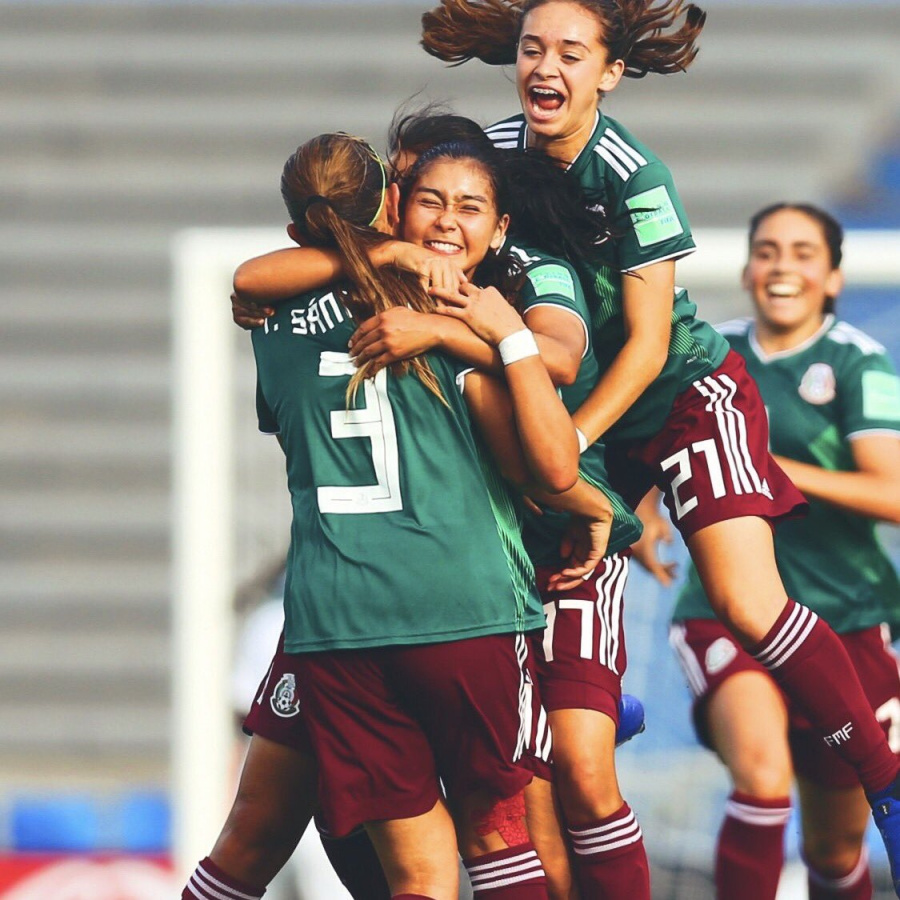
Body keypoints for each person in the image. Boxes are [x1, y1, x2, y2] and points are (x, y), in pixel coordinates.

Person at [417, 3, 900, 890]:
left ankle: (890, 786)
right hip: (572, 419)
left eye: (570, 51)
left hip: (680, 396)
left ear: (610, 72)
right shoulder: (484, 158)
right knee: (564, 734)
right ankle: (602, 700)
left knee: (748, 602)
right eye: (531, 49)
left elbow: (644, 347)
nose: (544, 66)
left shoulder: (635, 176)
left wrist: (571, 455)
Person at [183, 131, 625, 900]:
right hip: (462, 607)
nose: (449, 221)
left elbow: (253, 282)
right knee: (502, 831)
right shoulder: (454, 307)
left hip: (337, 623)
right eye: (430, 199)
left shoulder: (270, 319)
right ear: (393, 204)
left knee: (356, 857)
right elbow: (544, 467)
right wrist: (600, 506)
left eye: (469, 205)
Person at [664, 203, 900, 900]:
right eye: (767, 251)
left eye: (802, 253)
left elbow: (892, 493)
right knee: (763, 780)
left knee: (833, 848)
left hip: (847, 617)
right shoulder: (710, 357)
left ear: (832, 278)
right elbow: (657, 440)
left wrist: (770, 468)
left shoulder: (858, 361)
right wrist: (643, 518)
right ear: (745, 270)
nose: (782, 267)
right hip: (725, 611)